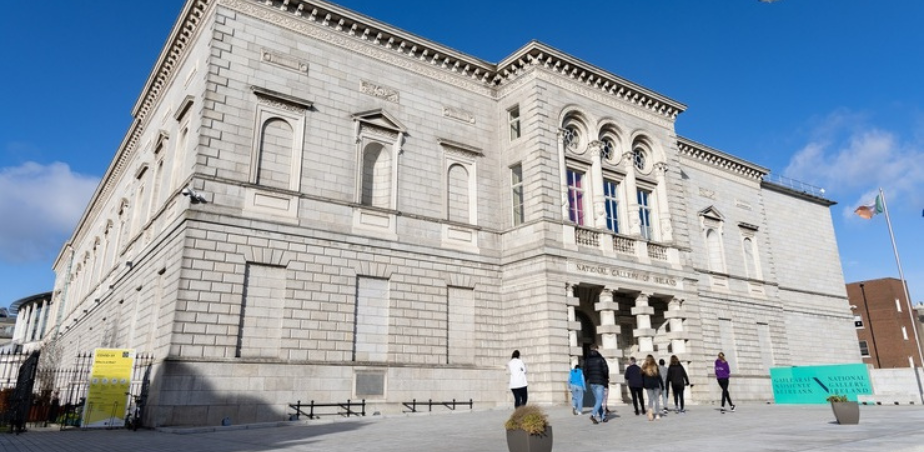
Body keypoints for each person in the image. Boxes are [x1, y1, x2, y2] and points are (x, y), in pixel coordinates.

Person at [584, 345, 609, 424]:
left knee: (597, 400)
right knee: (600, 400)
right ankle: (593, 415)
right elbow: (605, 370)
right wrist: (606, 378)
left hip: (592, 382)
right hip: (600, 381)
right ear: (596, 349)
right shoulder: (601, 359)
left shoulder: (587, 360)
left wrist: (586, 379)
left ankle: (603, 417)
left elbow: (585, 371)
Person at [641, 355, 664, 420]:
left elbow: (642, 377)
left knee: (650, 400)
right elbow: (659, 377)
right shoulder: (656, 366)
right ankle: (657, 414)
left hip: (648, 386)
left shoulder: (644, 367)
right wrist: (662, 386)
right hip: (656, 385)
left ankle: (650, 414)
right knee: (657, 400)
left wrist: (643, 385)